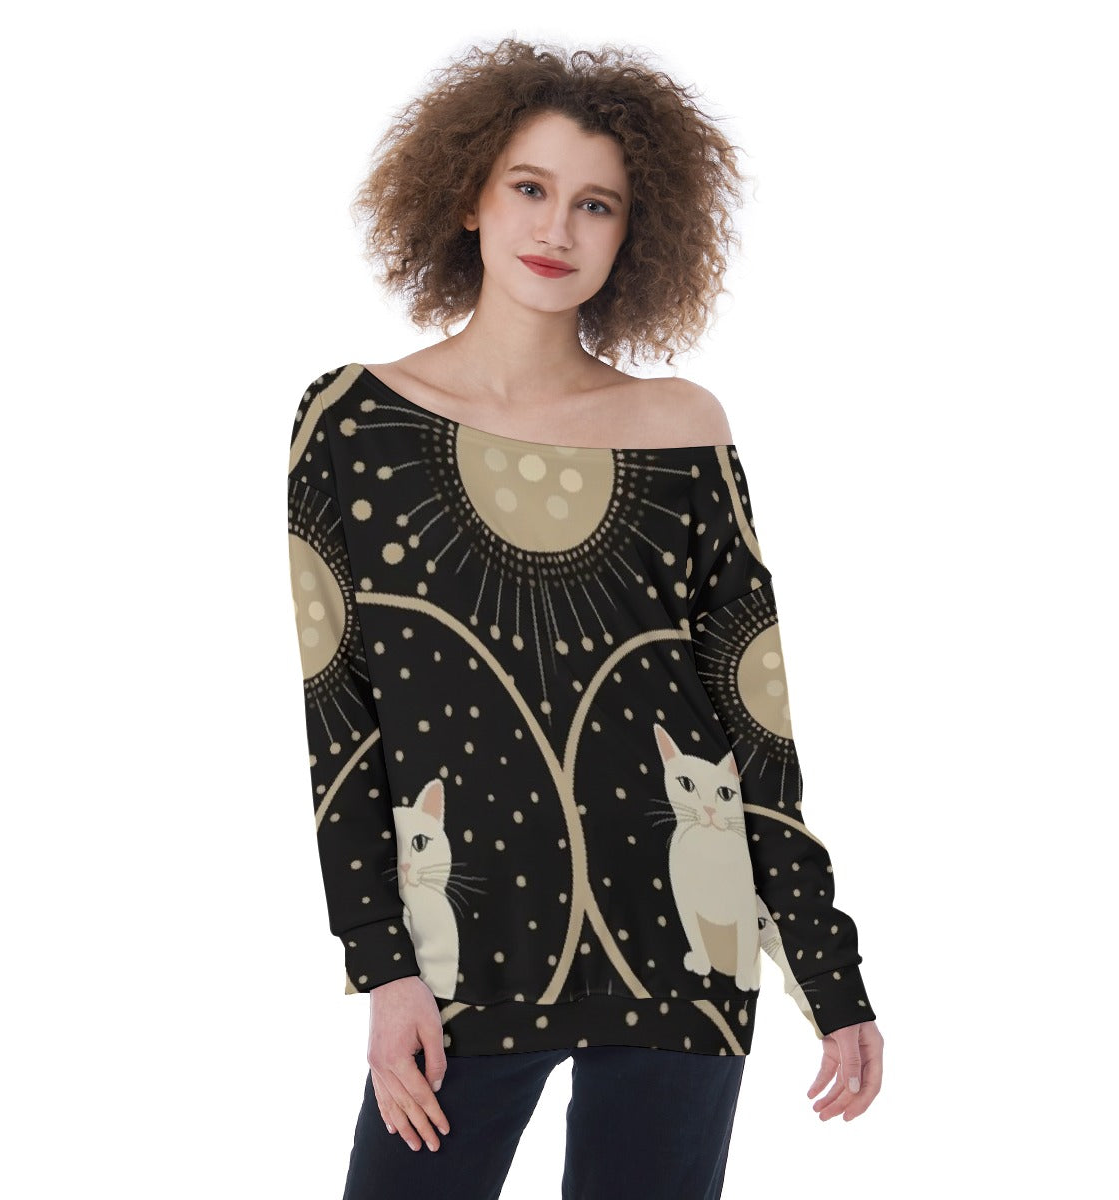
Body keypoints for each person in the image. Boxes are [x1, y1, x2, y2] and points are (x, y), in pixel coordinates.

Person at [286, 37, 884, 1199]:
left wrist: (829, 971)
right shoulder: (354, 422)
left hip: (683, 948)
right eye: (530, 187)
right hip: (463, 953)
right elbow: (340, 716)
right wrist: (383, 969)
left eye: (595, 204)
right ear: (469, 195)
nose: (557, 228)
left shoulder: (683, 426)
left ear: (632, 233)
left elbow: (750, 715)